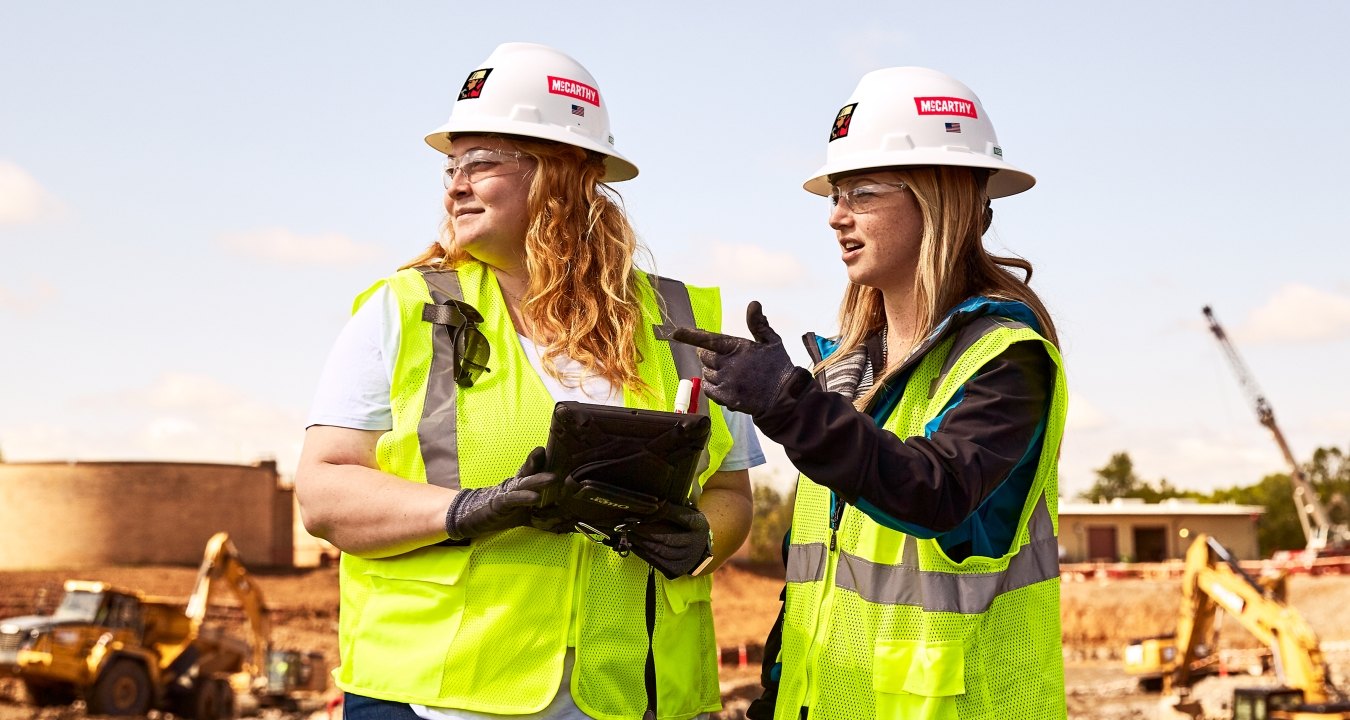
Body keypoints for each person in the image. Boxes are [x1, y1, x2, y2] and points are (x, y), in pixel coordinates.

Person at [295, 42, 759, 720]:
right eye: (451, 165)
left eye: (481, 162)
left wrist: (705, 541)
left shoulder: (684, 322)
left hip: (636, 697)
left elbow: (730, 492)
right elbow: (324, 490)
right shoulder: (403, 312)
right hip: (438, 702)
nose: (454, 183)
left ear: (566, 173)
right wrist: (463, 510)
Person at [673, 66, 1068, 719]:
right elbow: (817, 581)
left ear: (941, 199)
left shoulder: (1007, 362)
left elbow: (933, 493)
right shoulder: (845, 374)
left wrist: (789, 406)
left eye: (861, 193)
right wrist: (773, 698)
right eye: (835, 193)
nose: (835, 216)